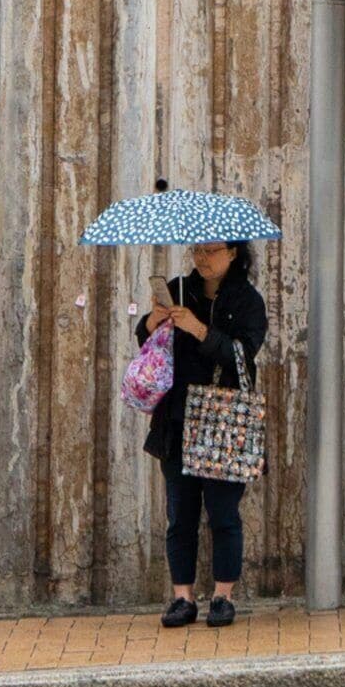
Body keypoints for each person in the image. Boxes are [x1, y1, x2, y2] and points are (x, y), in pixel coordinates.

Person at [137, 239, 269, 628]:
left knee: (224, 514)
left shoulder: (248, 301)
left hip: (222, 421)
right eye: (197, 250)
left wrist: (198, 329)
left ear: (232, 254)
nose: (202, 258)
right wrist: (152, 322)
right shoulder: (179, 289)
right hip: (176, 419)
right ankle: (182, 598)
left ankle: (223, 596)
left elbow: (242, 356)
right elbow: (146, 341)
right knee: (180, 514)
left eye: (211, 251)